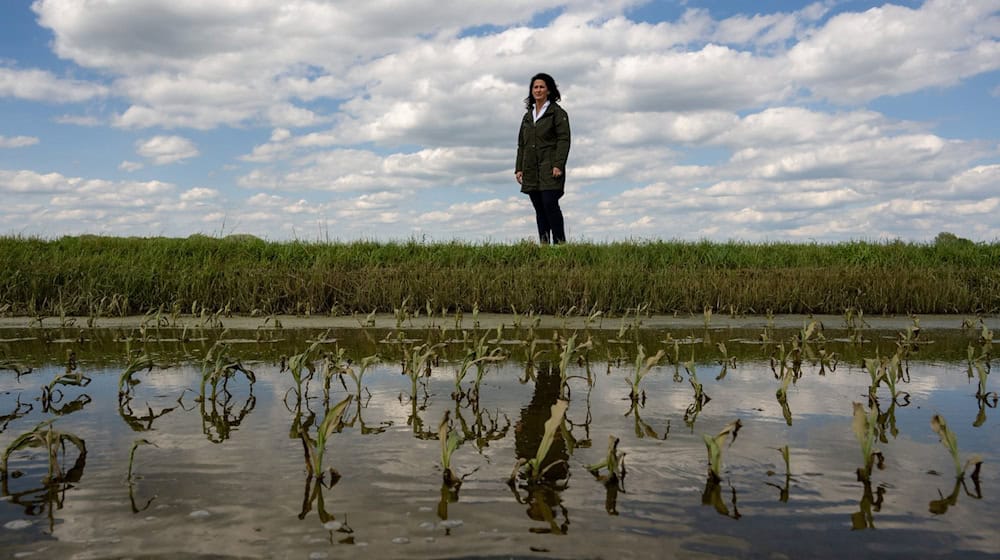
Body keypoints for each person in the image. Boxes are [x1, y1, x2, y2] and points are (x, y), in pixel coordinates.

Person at [515, 73, 570, 244]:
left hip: (550, 167)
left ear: (549, 90)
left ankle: (560, 244)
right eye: (535, 87)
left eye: (541, 87)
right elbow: (521, 144)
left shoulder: (557, 113)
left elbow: (564, 140)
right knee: (539, 208)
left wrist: (558, 164)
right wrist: (519, 168)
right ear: (531, 91)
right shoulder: (527, 116)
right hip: (531, 169)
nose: (538, 90)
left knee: (549, 204)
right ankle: (544, 245)